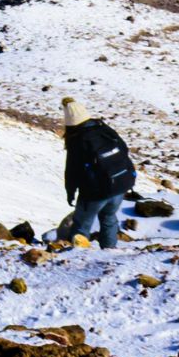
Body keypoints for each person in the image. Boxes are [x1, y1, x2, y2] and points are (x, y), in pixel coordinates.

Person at [62, 96, 136, 249]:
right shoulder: (104, 129)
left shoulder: (77, 140)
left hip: (96, 192)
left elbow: (72, 171)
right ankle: (109, 251)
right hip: (120, 183)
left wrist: (70, 192)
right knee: (109, 217)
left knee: (82, 224)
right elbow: (124, 150)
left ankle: (78, 255)